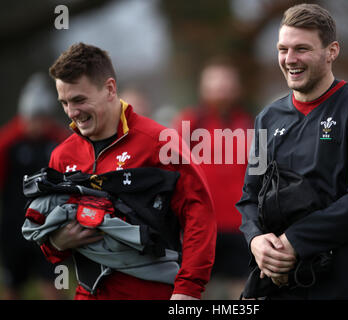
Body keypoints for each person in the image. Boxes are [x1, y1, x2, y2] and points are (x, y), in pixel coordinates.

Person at [236, 3, 348, 300]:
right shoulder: (267, 118)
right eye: (282, 49)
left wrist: (296, 241)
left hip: (347, 281)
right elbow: (250, 196)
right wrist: (256, 240)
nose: (290, 59)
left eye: (302, 49)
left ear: (332, 51)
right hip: (281, 282)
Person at [39, 42, 216, 300]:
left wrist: (189, 288)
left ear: (110, 89)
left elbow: (199, 214)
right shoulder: (62, 155)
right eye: (64, 102)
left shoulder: (160, 142)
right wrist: (55, 244)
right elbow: (46, 230)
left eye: (79, 100)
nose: (72, 112)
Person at [173, 59, 252, 299]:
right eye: (215, 82)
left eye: (227, 82)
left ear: (237, 87)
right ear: (203, 87)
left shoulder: (249, 123)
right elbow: (170, 170)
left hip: (240, 226)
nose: (222, 88)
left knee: (244, 290)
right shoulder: (189, 123)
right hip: (199, 226)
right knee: (193, 289)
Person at [0, 73, 69, 299]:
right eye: (32, 118)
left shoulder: (59, 141)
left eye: (42, 118)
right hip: (14, 228)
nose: (37, 125)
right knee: (12, 287)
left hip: (50, 228)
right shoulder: (8, 142)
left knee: (55, 285)